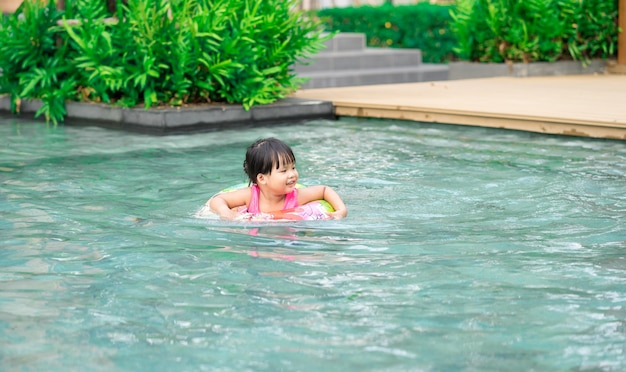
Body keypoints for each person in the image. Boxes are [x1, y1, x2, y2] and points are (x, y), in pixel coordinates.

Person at [207, 137, 347, 220]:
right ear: (262, 178)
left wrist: (341, 210)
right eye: (284, 170)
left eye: (293, 167)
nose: (292, 174)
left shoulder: (296, 196)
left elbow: (324, 190)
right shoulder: (250, 196)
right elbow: (218, 200)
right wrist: (226, 212)